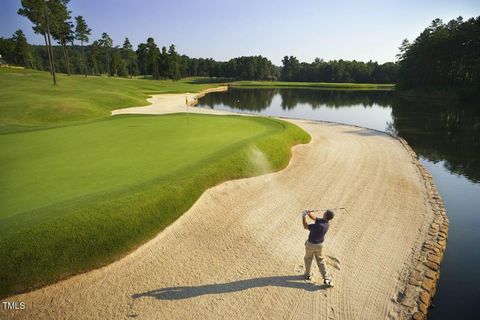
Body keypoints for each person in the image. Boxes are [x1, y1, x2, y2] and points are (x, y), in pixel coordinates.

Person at [302, 209, 335, 287]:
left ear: (326, 215)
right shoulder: (326, 223)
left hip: (311, 245)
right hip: (320, 245)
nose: (323, 213)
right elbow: (315, 218)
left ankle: (307, 275)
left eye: (325, 213)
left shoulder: (319, 225)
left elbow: (305, 226)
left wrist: (303, 216)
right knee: (320, 260)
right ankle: (326, 278)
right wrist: (308, 213)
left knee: (308, 259)